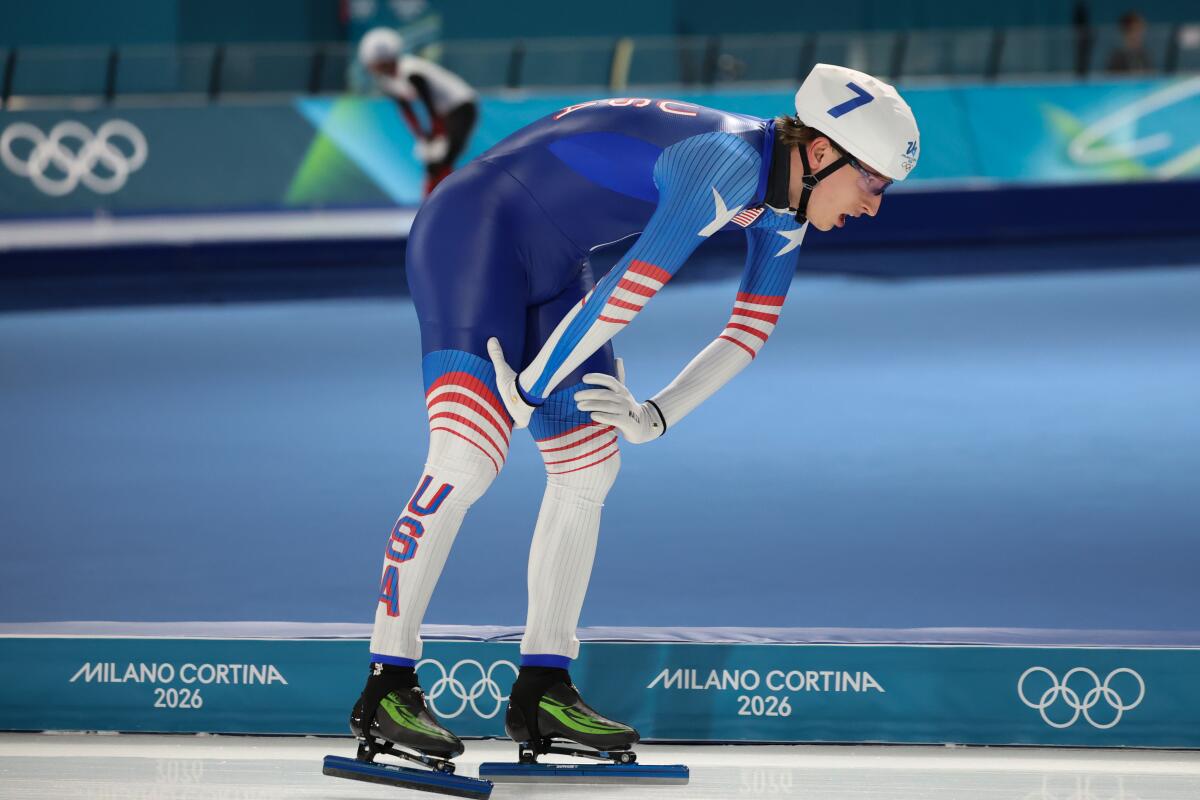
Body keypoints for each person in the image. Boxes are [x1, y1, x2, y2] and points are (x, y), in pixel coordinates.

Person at [350, 63, 919, 773]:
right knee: (467, 457)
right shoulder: (726, 161)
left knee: (590, 463)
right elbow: (628, 291)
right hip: (472, 231)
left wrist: (656, 413)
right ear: (822, 150)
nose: (874, 206)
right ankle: (388, 684)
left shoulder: (785, 202)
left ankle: (543, 686)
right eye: (873, 182)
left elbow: (748, 332)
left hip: (557, 262)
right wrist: (532, 387)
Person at [358, 27, 479, 196]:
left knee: (444, 159)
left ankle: (449, 196)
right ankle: (439, 196)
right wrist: (421, 134)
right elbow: (407, 111)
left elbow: (428, 104)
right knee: (434, 161)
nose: (371, 68)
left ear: (383, 60)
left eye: (373, 63)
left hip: (461, 107)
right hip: (445, 113)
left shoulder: (411, 71)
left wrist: (435, 130)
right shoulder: (387, 81)